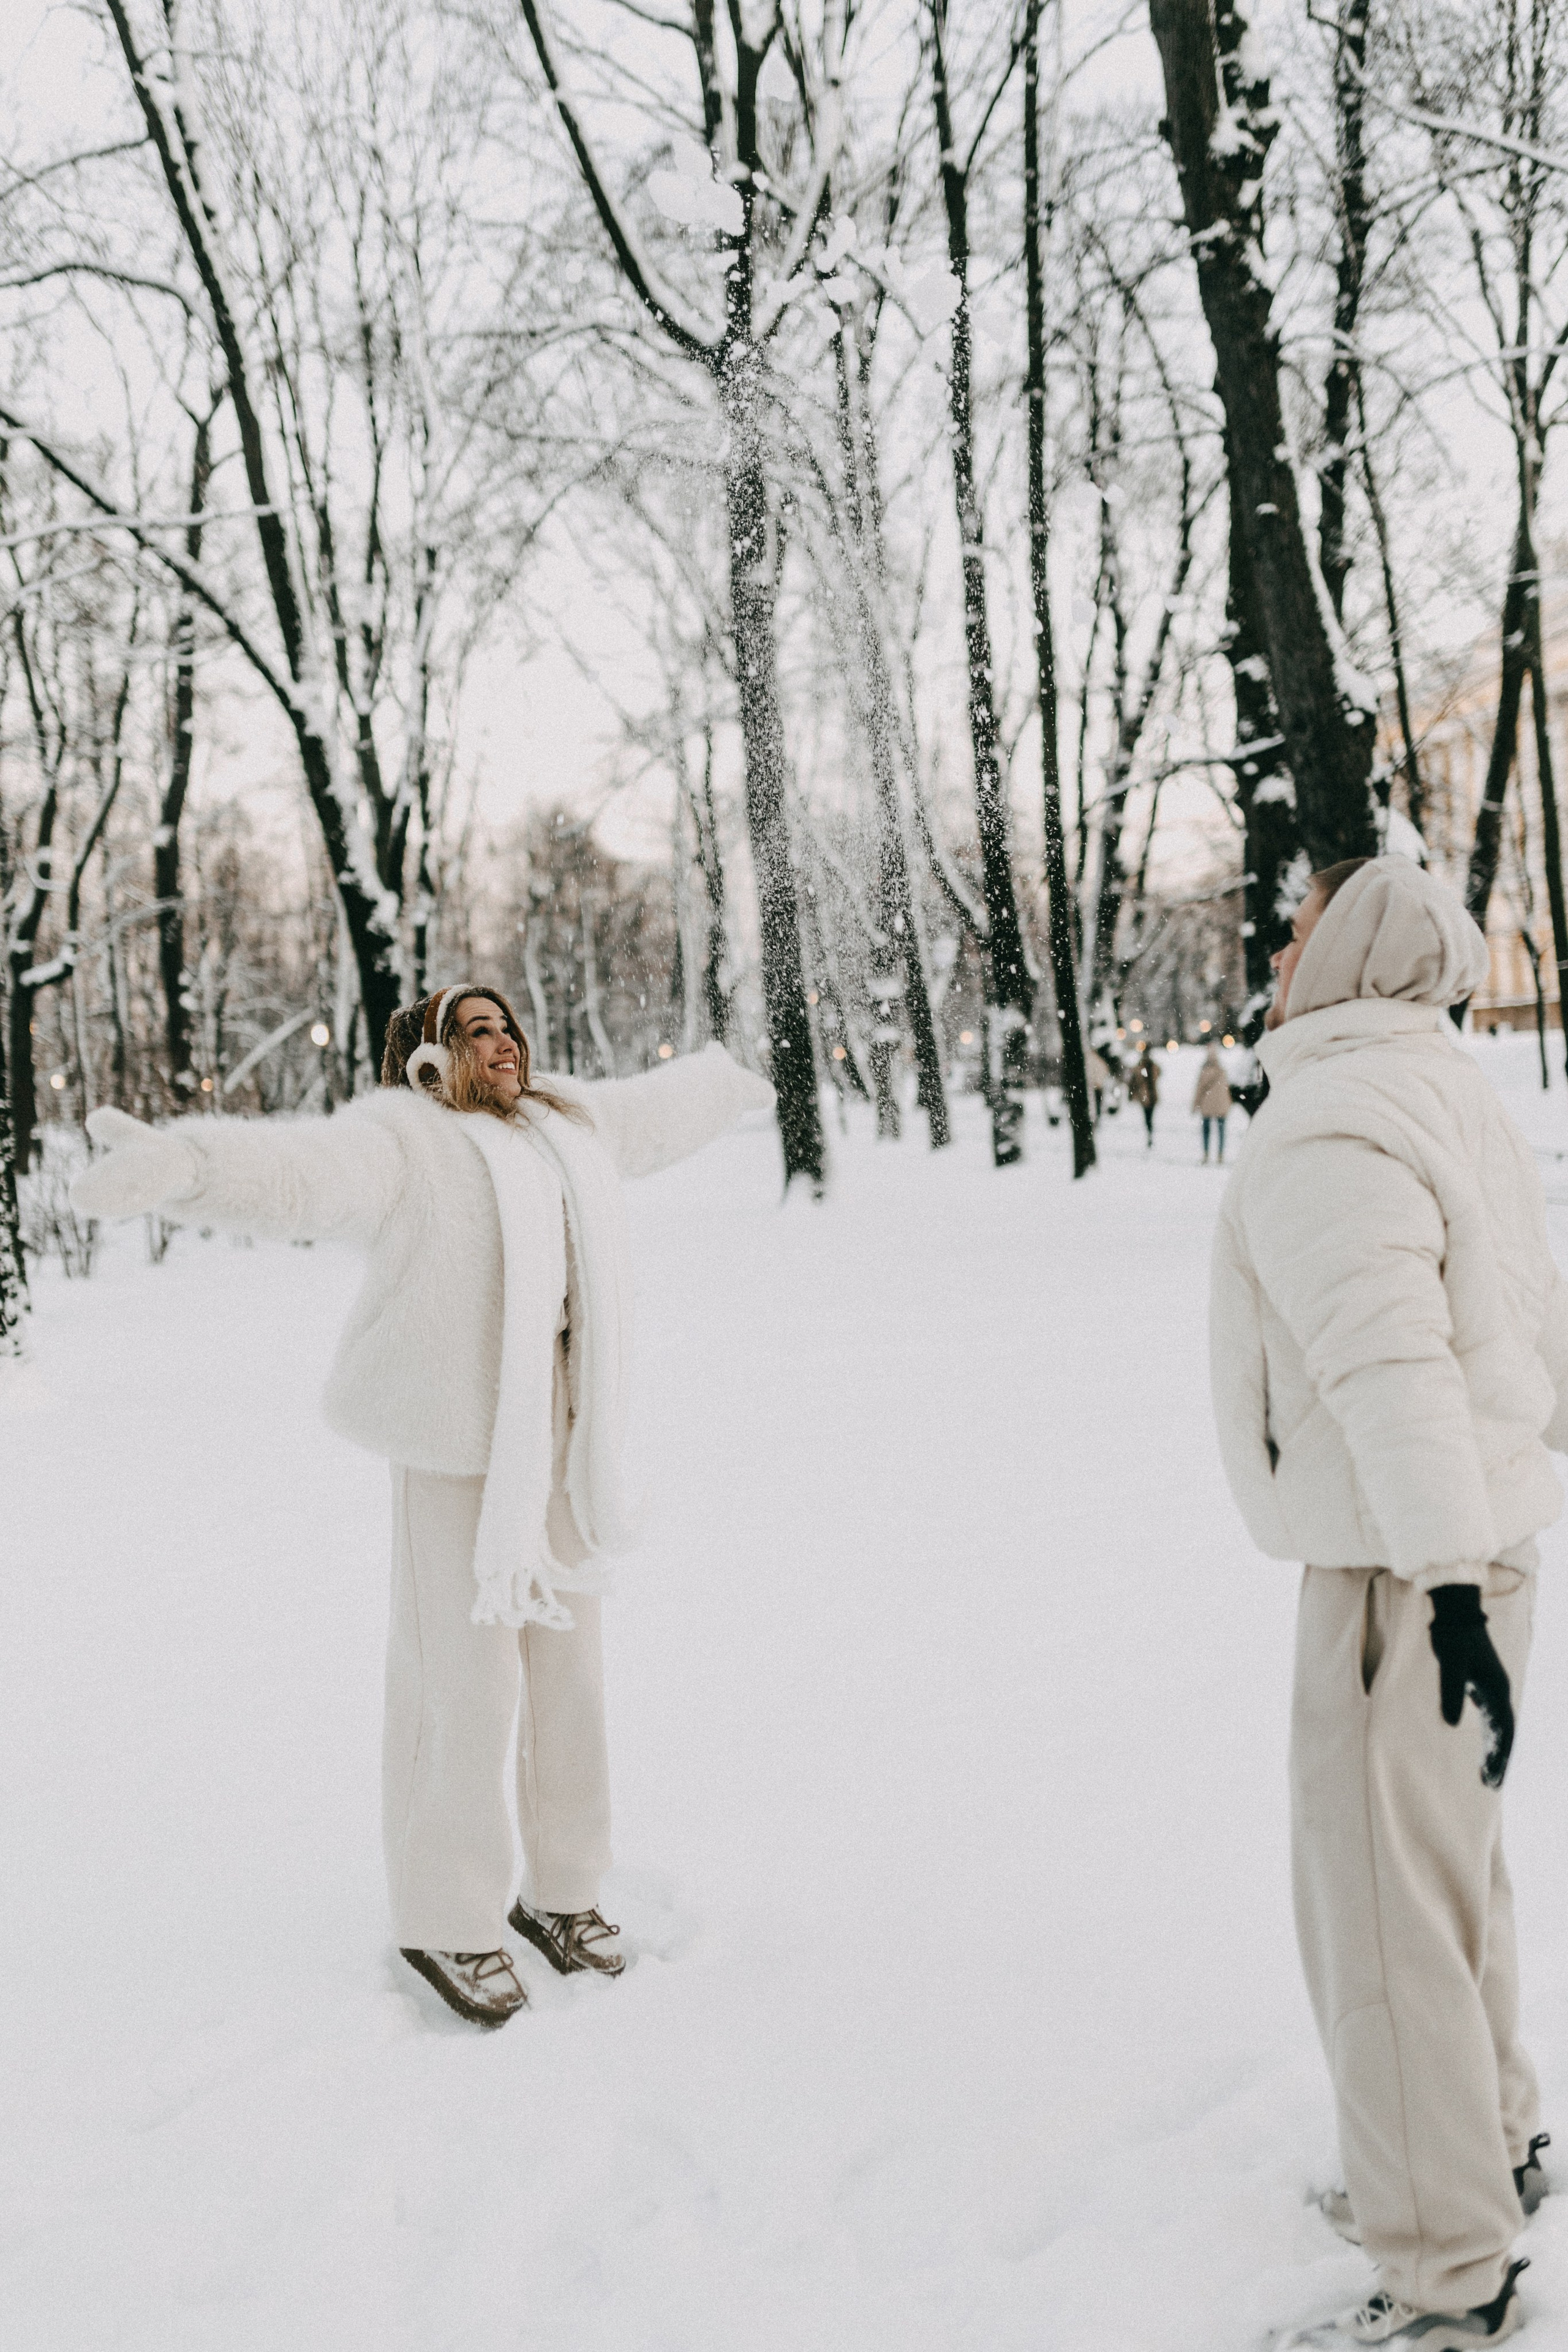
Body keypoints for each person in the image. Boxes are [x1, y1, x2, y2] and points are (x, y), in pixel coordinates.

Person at [70, 988, 773, 2030]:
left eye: (509, 1025)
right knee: (465, 1683)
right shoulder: (406, 1141)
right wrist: (186, 1166)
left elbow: (656, 1112)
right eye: (478, 1030)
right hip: (456, 1450)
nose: (506, 1042)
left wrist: (724, 1080)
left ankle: (566, 1893)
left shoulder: (565, 1123)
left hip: (564, 1445)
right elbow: (302, 1177)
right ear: (431, 1062)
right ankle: (445, 1916)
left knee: (570, 1679)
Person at [1209, 856, 1568, 2348]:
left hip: (1400, 1568)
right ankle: (1481, 2143)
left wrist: (1439, 1593)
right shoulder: (1439, 1093)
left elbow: (1390, 1374)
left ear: (1345, 954)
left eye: (1297, 930)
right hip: (1467, 1547)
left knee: (1376, 1907)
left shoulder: (1330, 1122)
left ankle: (1444, 2270)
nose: (1277, 951)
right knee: (1444, 1872)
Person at [1191, 1042, 1232, 1164]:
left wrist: (1195, 1104)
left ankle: (1206, 1154)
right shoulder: (1222, 1070)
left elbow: (1199, 1089)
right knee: (1221, 1131)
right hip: (1221, 1106)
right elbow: (1226, 1089)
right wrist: (1228, 1103)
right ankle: (1220, 1155)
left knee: (1206, 1131)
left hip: (1207, 1105)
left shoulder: (1204, 1070)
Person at [1127, 1042, 1159, 1146]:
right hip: (1148, 1095)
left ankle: (1149, 1133)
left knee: (1148, 1117)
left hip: (1149, 1095)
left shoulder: (1146, 1066)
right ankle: (1149, 1134)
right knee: (1149, 1117)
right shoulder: (1146, 1066)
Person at [1085, 1045, 1111, 1126]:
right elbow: (1105, 1071)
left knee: (1093, 1104)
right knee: (1097, 1104)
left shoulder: (1089, 1059)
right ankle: (1096, 1119)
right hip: (1097, 1087)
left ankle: (1093, 1120)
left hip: (1092, 1087)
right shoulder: (1099, 1060)